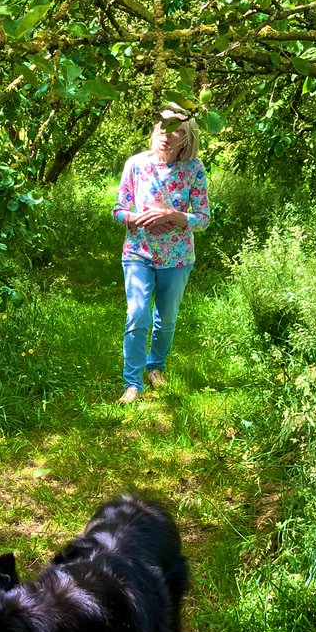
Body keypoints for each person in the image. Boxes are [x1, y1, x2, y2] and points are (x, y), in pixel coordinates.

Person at [111, 103, 210, 405]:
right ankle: (132, 383)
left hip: (177, 257)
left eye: (177, 130)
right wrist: (133, 219)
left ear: (187, 137)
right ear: (155, 129)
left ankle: (156, 367)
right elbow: (118, 210)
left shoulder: (193, 168)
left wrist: (175, 216)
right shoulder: (137, 164)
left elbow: (203, 219)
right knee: (137, 314)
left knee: (165, 319)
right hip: (138, 252)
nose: (167, 135)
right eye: (163, 127)